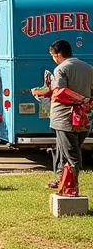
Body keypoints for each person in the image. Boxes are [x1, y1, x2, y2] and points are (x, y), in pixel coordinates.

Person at [32, 39, 93, 196]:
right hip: (84, 118)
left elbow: (60, 93)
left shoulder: (61, 69)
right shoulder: (88, 68)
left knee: (71, 155)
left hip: (64, 118)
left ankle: (72, 188)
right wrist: (85, 102)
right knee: (64, 151)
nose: (52, 57)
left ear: (58, 54)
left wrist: (43, 93)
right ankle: (62, 180)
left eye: (52, 55)